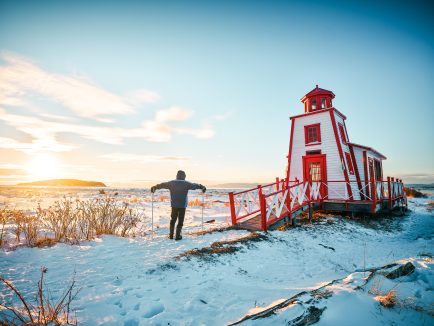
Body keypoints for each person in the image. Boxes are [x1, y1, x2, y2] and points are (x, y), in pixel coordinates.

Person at [151, 170, 206, 240]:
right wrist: (202, 187)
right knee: (180, 221)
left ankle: (171, 235)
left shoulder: (172, 183)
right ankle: (177, 236)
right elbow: (195, 185)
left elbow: (162, 185)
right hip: (182, 205)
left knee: (173, 220)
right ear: (184, 176)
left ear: (177, 176)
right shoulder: (186, 183)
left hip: (174, 205)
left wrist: (155, 187)